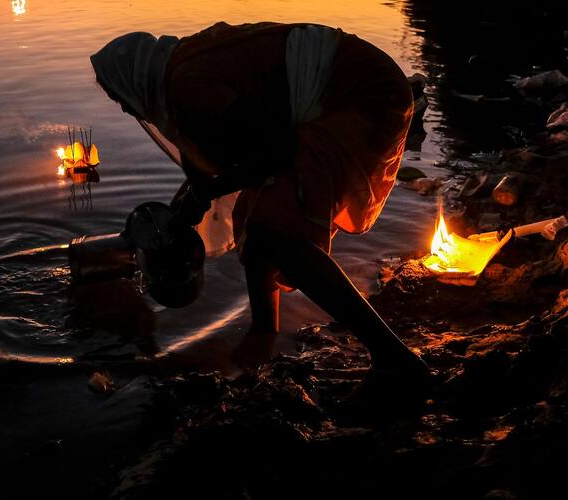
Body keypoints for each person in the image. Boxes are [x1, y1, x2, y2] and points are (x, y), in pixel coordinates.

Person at [90, 22, 431, 389]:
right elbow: (243, 145)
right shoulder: (181, 71)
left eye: (118, 96)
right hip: (353, 85)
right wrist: (198, 194)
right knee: (253, 218)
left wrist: (208, 191)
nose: (125, 107)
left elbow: (275, 148)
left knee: (275, 230)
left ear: (132, 80)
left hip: (360, 93)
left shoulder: (187, 85)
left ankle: (393, 359)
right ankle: (264, 334)